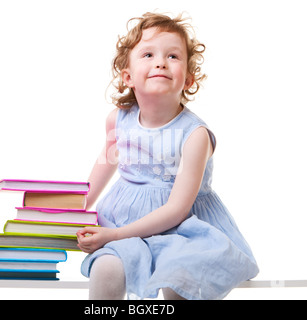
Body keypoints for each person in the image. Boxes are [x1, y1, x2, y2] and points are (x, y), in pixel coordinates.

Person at [76, 12, 259, 300]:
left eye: (173, 56)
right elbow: (107, 160)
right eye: (148, 54)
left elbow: (177, 209)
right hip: (123, 219)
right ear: (128, 77)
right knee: (107, 269)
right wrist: (74, 208)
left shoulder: (195, 135)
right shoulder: (118, 120)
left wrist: (112, 236)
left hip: (183, 229)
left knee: (180, 280)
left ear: (188, 79)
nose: (160, 61)